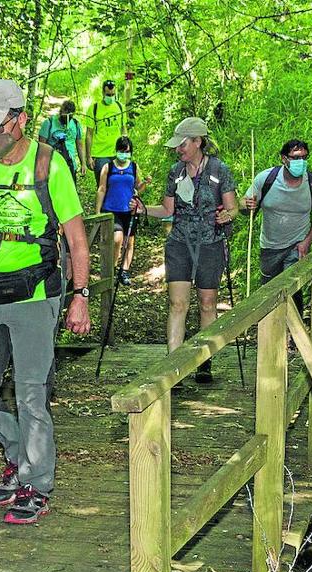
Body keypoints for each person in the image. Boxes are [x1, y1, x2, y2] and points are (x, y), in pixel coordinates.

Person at [0, 79, 91, 525]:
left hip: (38, 292)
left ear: (20, 119)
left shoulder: (49, 164)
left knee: (31, 393)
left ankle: (36, 482)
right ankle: (17, 451)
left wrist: (80, 296)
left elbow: (77, 239)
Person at [135, 117, 238, 383]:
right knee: (177, 303)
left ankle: (204, 361)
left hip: (210, 244)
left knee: (207, 303)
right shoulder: (175, 172)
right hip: (179, 243)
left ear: (197, 142)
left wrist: (228, 215)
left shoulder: (219, 170)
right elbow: (168, 210)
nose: (178, 150)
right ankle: (174, 365)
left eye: (182, 144)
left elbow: (233, 207)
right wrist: (144, 209)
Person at [242, 139, 312, 316]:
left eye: (304, 158)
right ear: (284, 158)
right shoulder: (266, 179)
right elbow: (244, 207)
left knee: (292, 288)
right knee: (269, 291)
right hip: (270, 246)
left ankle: (292, 335)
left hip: (297, 246)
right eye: (296, 158)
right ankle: (272, 332)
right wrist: (246, 205)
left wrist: (307, 241)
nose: (301, 162)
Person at [95, 136, 151, 286]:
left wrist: (145, 182)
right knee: (117, 238)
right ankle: (112, 269)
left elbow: (138, 187)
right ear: (116, 150)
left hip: (130, 210)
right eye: (121, 151)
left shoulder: (133, 166)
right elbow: (101, 189)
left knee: (129, 241)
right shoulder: (108, 167)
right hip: (112, 209)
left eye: (127, 151)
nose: (124, 154)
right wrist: (98, 211)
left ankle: (124, 271)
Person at [83, 79, 126, 179]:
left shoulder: (120, 107)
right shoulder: (94, 109)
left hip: (117, 153)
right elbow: (89, 134)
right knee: (103, 186)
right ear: (103, 92)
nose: (110, 97)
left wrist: (126, 150)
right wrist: (88, 157)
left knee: (117, 183)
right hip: (100, 154)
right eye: (108, 94)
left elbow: (124, 130)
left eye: (112, 94)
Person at [38, 100, 87, 179]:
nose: (67, 120)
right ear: (61, 112)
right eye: (65, 117)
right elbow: (41, 146)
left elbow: (79, 145)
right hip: (52, 165)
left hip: (70, 165)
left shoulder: (76, 124)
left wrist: (83, 163)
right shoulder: (49, 123)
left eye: (69, 117)